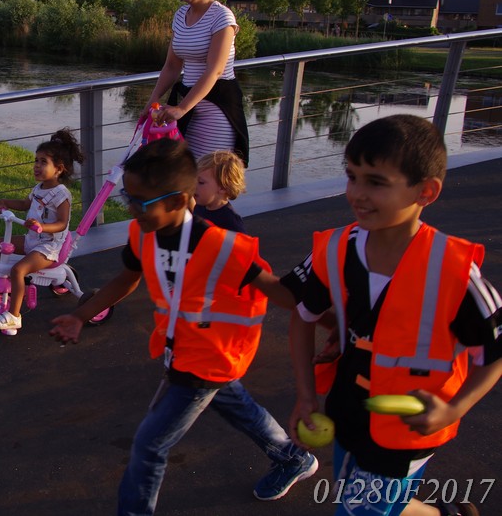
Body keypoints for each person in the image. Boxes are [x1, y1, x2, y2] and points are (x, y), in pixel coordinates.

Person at [49, 138, 316, 515]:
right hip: (183, 350)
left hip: (206, 360)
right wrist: (81, 315)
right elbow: (127, 278)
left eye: (140, 202)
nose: (131, 209)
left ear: (176, 201)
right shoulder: (143, 234)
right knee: (235, 404)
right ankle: (292, 457)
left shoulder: (223, 246)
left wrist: (331, 305)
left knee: (149, 446)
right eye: (128, 198)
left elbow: (280, 293)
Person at [283, 114, 502, 516]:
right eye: (352, 177)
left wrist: (454, 410)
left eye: (376, 182)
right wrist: (306, 394)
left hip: (409, 429)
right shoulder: (334, 249)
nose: (357, 194)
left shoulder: (454, 271)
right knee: (361, 498)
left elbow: (495, 352)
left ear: (426, 192)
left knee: (359, 509)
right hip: (348, 410)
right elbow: (303, 316)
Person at [143, 0, 249, 166]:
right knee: (186, 175)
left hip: (216, 109)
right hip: (189, 108)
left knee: (209, 176)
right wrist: (152, 100)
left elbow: (215, 71)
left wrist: (181, 108)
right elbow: (172, 66)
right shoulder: (181, 15)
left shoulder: (221, 17)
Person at [0, 128, 84, 335]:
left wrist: (42, 226)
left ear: (59, 169)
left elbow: (62, 223)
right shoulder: (39, 188)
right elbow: (25, 204)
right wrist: (5, 202)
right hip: (33, 239)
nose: (37, 166)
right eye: (36, 161)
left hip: (49, 247)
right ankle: (3, 283)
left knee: (18, 270)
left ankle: (14, 317)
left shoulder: (61, 194)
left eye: (43, 162)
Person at [194, 150, 246, 233]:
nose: (193, 185)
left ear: (223, 187)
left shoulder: (231, 223)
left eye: (201, 182)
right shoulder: (197, 207)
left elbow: (241, 241)